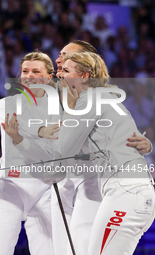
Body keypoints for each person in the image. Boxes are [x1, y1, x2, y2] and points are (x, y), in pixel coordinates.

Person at [59, 51, 155, 255]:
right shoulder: (110, 99)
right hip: (136, 193)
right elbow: (133, 141)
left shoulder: (88, 100)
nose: (61, 75)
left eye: (66, 71)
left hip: (125, 192)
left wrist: (70, 111)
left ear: (84, 76)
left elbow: (63, 149)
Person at [0, 51, 61, 255]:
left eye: (36, 71)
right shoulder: (6, 104)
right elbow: (19, 124)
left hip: (47, 188)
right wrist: (41, 131)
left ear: (49, 77)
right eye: (25, 71)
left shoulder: (62, 108)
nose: (29, 75)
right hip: (11, 186)